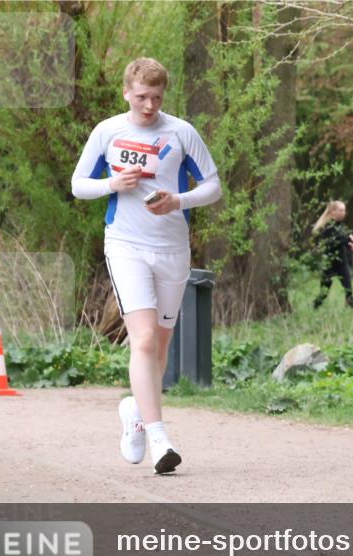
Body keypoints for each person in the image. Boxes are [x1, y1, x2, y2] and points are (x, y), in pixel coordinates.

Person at [71, 58, 222, 475]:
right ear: (127, 93)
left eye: (156, 97)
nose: (150, 105)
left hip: (172, 247)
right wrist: (112, 185)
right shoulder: (108, 131)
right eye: (141, 97)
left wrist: (179, 200)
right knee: (142, 340)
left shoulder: (181, 132)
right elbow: (78, 185)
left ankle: (134, 415)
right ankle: (159, 437)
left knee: (160, 342)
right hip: (125, 245)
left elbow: (212, 185)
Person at [311, 200, 353, 309]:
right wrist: (347, 239)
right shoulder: (327, 226)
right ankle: (315, 306)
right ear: (333, 212)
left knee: (348, 289)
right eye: (341, 210)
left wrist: (351, 244)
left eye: (344, 210)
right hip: (329, 264)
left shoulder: (341, 226)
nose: (343, 212)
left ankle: (350, 312)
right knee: (324, 292)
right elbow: (332, 242)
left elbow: (343, 240)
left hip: (341, 263)